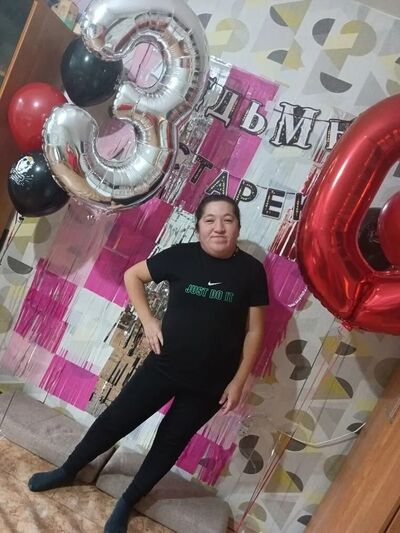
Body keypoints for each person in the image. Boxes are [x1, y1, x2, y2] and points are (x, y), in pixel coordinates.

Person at [27, 194, 269, 533]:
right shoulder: (181, 256)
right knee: (115, 420)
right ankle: (68, 470)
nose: (219, 227)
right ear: (199, 227)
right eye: (210, 220)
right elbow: (133, 276)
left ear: (237, 227)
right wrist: (148, 320)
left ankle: (128, 501)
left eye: (227, 220)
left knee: (170, 442)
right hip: (164, 366)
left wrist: (239, 381)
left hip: (212, 384)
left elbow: (255, 331)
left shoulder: (252, 271)